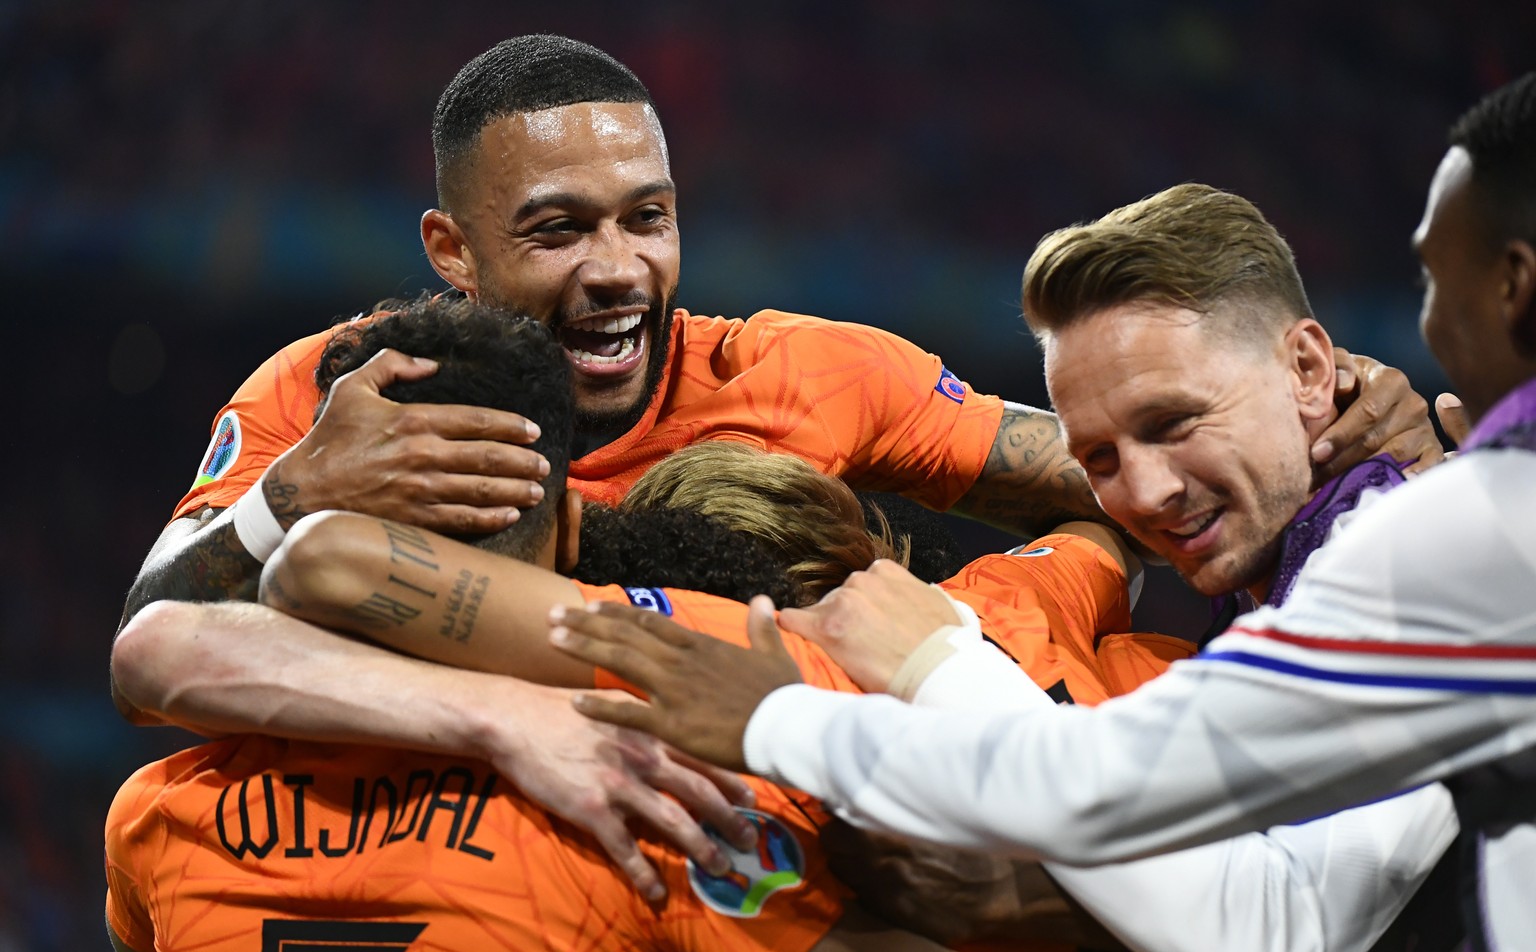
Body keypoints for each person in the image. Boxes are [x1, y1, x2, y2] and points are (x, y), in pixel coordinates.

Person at [559, 72, 1536, 952]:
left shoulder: (1421, 550)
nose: (1142, 492)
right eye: (1098, 455)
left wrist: (925, 667)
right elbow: (1108, 767)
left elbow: (1270, 949)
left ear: (1312, 368)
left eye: (1176, 420)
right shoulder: (1277, 571)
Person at [114, 33, 1439, 657]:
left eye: (649, 218)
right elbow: (152, 633)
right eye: (558, 232)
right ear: (451, 253)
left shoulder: (805, 373)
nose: (620, 269)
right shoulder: (340, 389)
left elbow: (1113, 470)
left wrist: (1340, 418)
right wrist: (296, 495)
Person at [108, 303, 1178, 952]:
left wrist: (289, 493)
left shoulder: (157, 817)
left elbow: (198, 626)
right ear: (573, 525)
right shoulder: (649, 784)